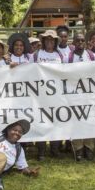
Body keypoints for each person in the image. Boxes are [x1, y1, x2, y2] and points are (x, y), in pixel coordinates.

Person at [32, 30, 63, 160]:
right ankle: (41, 151)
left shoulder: (59, 55)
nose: (49, 41)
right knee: (41, 121)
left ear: (55, 42)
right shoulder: (37, 54)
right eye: (47, 39)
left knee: (56, 120)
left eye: (52, 40)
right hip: (40, 93)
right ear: (43, 41)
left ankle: (55, 149)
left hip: (56, 93)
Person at [67, 33, 95, 161]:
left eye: (82, 40)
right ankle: (78, 149)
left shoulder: (92, 56)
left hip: (89, 93)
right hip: (73, 93)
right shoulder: (68, 57)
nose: (80, 42)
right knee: (76, 120)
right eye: (77, 40)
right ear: (73, 42)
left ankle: (89, 148)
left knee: (89, 119)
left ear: (85, 42)